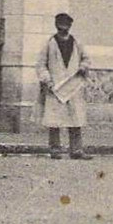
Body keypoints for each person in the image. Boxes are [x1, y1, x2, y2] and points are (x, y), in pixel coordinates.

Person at [37, 12, 92, 160]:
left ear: (69, 27)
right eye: (60, 28)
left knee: (75, 118)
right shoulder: (49, 44)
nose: (63, 31)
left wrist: (83, 67)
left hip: (73, 86)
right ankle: (55, 149)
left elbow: (86, 59)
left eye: (66, 28)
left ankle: (76, 150)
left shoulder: (77, 43)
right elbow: (41, 65)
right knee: (54, 119)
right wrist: (47, 80)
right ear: (56, 27)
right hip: (55, 86)